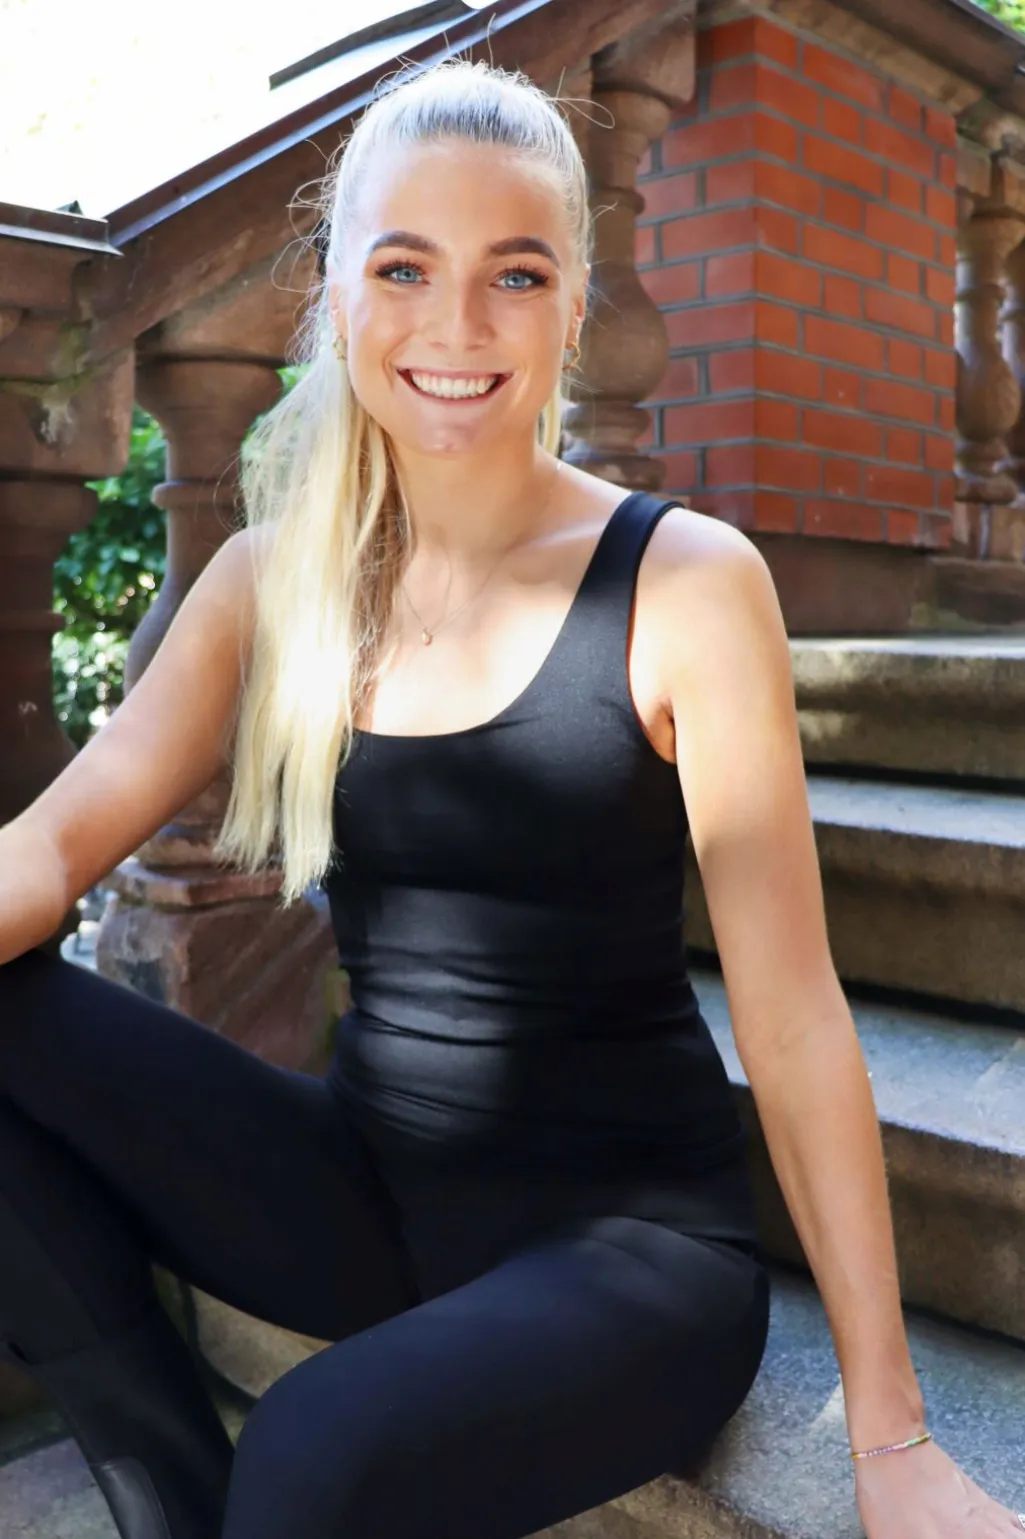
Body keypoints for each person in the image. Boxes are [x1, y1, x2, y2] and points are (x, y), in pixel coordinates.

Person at [0, 54, 1020, 1539]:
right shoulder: (271, 583)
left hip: (632, 1253)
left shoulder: (685, 583)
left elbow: (795, 1019)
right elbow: (48, 846)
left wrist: (893, 1432)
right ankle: (173, 1496)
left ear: (575, 304)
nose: (457, 326)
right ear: (338, 292)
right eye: (405, 267)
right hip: (371, 1189)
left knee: (316, 1452)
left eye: (516, 275)